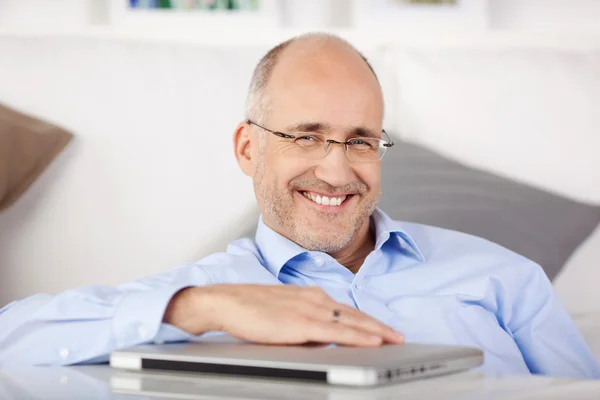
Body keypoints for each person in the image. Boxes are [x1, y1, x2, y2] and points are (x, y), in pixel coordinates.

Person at [0, 33, 598, 379]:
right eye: (305, 136)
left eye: (360, 140)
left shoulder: (502, 277)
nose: (337, 171)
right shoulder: (204, 298)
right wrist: (196, 308)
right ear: (247, 148)